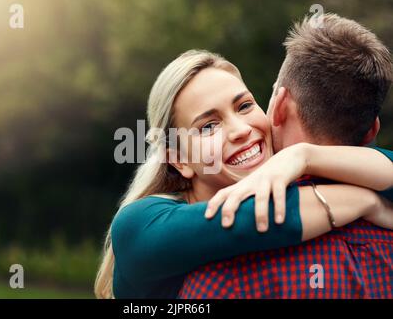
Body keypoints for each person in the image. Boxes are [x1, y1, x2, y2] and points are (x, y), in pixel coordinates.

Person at [94, 48, 393, 299]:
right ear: (179, 159)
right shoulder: (140, 224)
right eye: (208, 126)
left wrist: (304, 156)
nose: (240, 130)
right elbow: (258, 219)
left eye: (245, 105)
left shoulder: (305, 179)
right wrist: (368, 202)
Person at [179, 14, 393, 299]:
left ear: (279, 105)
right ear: (372, 131)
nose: (239, 131)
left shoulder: (222, 274)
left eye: (244, 106)